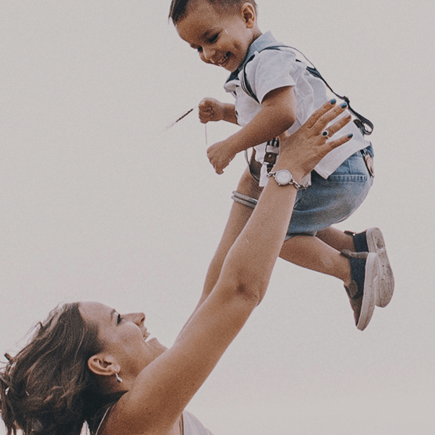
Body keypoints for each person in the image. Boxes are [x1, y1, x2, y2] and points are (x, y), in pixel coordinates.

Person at [1, 102, 351, 435]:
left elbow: (216, 294)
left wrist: (256, 172)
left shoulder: (143, 411)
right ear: (104, 364)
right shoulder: (129, 422)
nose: (138, 315)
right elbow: (239, 292)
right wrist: (289, 172)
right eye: (118, 319)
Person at [169, 0, 394, 330]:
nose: (208, 53)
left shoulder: (266, 59)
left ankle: (352, 271)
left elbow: (281, 114)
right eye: (197, 48)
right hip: (347, 166)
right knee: (284, 217)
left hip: (337, 171)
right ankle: (354, 245)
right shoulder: (257, 64)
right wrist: (222, 111)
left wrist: (230, 147)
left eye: (212, 37)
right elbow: (266, 117)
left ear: (247, 16)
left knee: (268, 233)